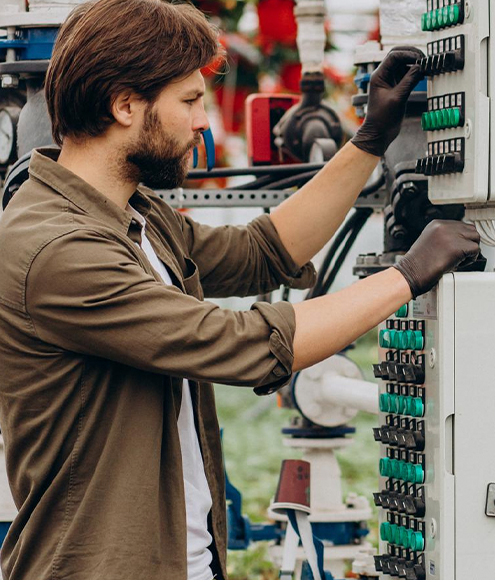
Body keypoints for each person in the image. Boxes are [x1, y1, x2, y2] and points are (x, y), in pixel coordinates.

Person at [0, 0, 480, 579]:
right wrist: (406, 276)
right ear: (125, 104)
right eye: (189, 100)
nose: (203, 121)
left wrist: (370, 141)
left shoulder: (129, 213)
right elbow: (242, 344)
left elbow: (262, 251)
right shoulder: (57, 249)